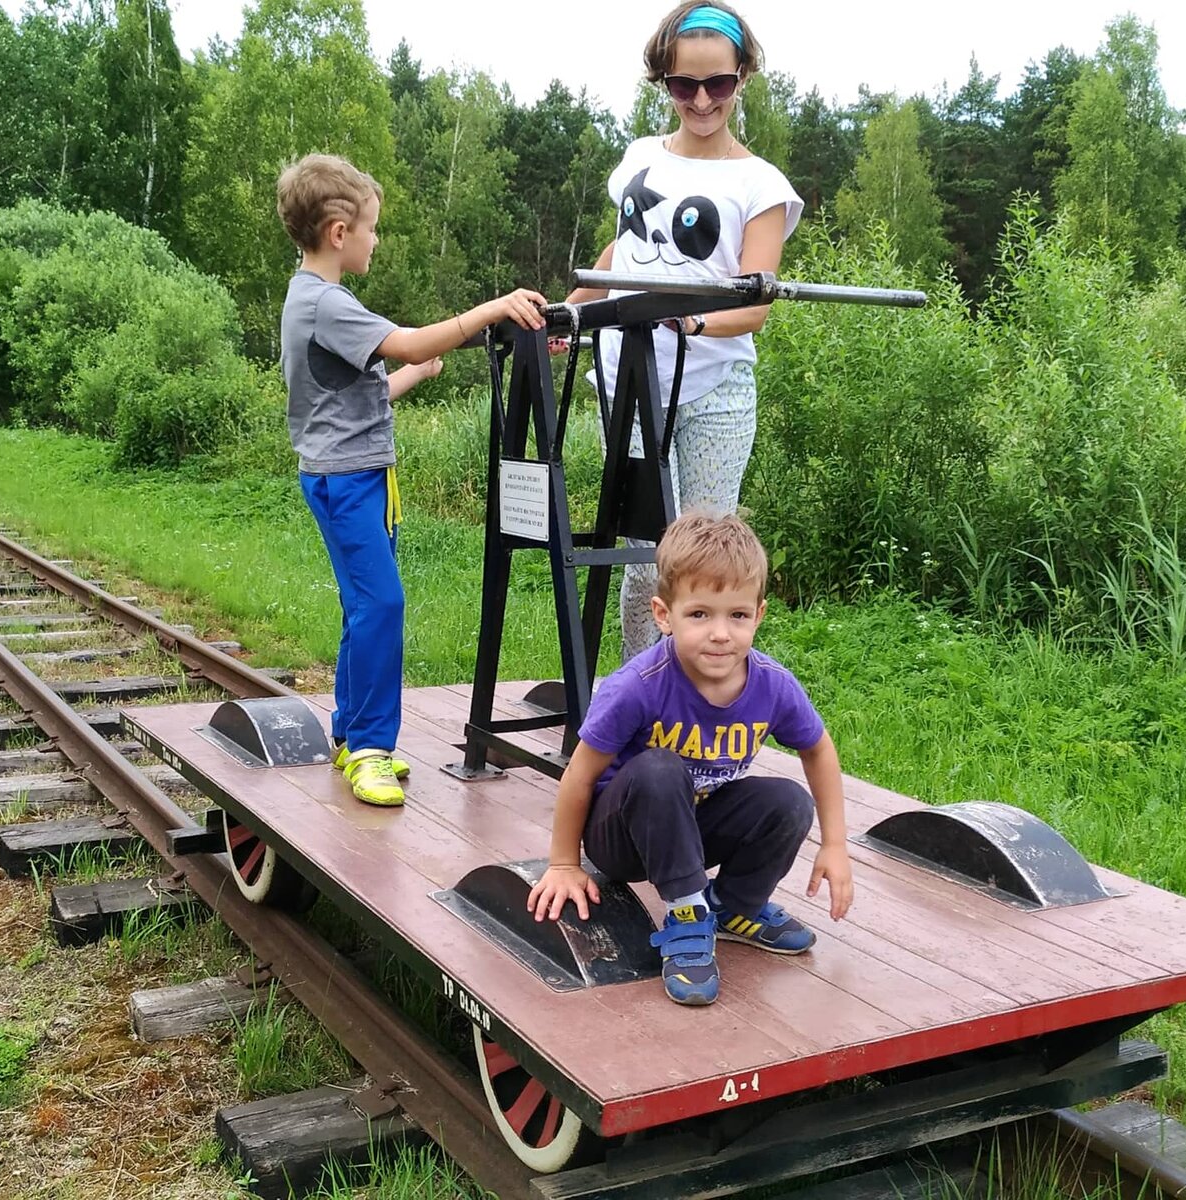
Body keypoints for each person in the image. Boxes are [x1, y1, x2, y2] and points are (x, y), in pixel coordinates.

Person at [276, 153, 546, 806]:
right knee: (382, 604)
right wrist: (490, 310)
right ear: (339, 232)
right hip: (347, 483)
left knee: (364, 605)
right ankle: (370, 747)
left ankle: (351, 735)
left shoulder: (311, 298)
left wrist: (416, 376)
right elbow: (416, 339)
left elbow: (356, 399)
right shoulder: (326, 303)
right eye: (371, 228)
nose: (376, 240)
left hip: (357, 477)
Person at [526, 511, 852, 1006]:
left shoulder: (772, 686)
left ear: (759, 615)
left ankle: (733, 907)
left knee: (789, 802)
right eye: (700, 614)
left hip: (693, 827)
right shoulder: (639, 686)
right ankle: (685, 913)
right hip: (623, 836)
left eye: (737, 615)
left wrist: (835, 844)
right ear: (664, 615)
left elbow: (818, 749)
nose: (721, 633)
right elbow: (579, 774)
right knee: (660, 769)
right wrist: (564, 863)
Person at [566, 2, 803, 663]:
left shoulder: (761, 184)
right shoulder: (640, 158)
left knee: (706, 559)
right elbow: (622, 253)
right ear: (664, 82)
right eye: (683, 85)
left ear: (742, 77)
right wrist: (570, 311)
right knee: (645, 556)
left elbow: (754, 305)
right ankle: (640, 687)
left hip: (714, 389)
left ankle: (703, 690)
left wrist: (692, 320)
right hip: (631, 380)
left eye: (717, 84)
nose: (701, 100)